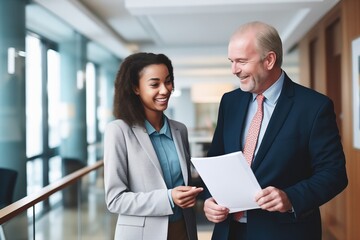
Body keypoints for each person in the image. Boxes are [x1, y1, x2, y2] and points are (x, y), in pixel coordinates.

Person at [203, 21, 348, 240]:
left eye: (241, 61)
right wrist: (210, 199)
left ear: (269, 60)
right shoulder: (229, 102)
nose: (234, 70)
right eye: (232, 61)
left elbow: (334, 174)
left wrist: (291, 197)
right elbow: (216, 159)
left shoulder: (313, 107)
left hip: (284, 232)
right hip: (228, 232)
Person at [103, 52, 203, 240]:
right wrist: (168, 198)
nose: (165, 90)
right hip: (142, 234)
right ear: (136, 88)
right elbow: (115, 200)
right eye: (154, 84)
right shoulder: (118, 131)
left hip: (183, 230)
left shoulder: (180, 130)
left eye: (168, 81)